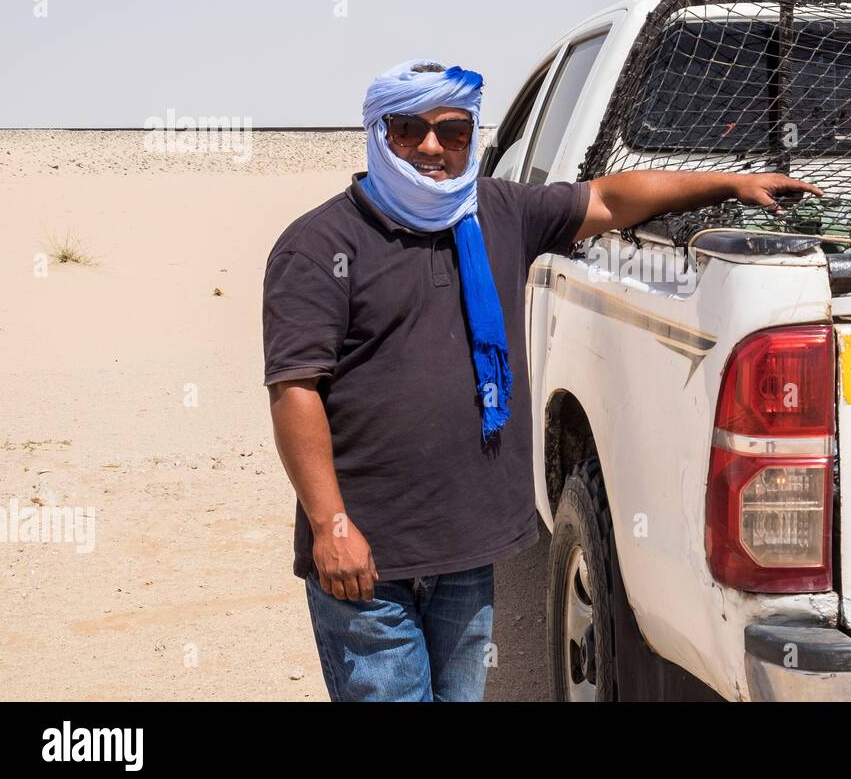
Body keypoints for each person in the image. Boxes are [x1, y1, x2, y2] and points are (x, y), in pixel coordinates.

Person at [262, 58, 822, 701]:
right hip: (367, 555)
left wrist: (726, 184)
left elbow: (610, 198)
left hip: (467, 545)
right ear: (376, 134)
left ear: (474, 135)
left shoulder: (497, 212)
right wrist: (332, 525)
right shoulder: (320, 245)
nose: (431, 147)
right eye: (408, 129)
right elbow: (295, 389)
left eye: (453, 130)